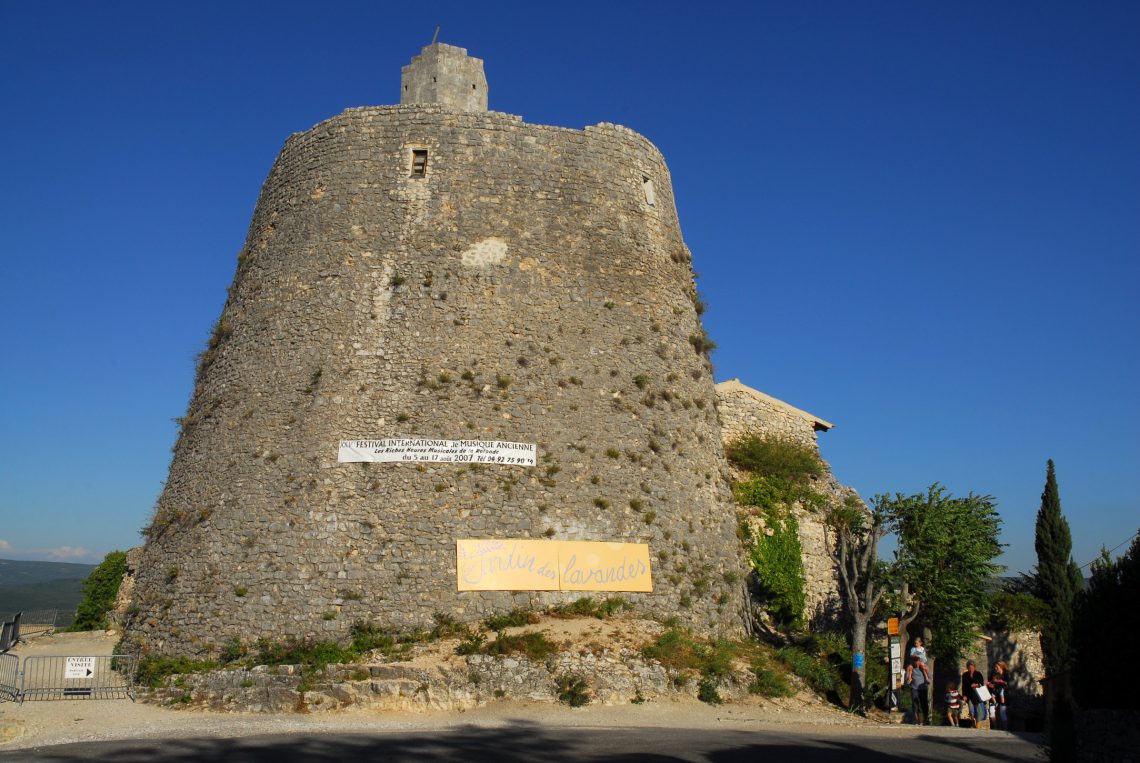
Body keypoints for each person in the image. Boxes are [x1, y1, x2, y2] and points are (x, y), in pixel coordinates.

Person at [906, 654, 931, 725]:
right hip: (914, 688)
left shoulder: (923, 667)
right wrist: (908, 671)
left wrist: (927, 670)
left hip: (923, 688)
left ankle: (926, 720)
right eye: (914, 660)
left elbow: (930, 677)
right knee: (915, 704)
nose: (916, 662)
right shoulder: (911, 668)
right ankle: (916, 720)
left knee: (924, 704)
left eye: (917, 660)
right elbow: (907, 680)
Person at [961, 661, 988, 726]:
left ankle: (977, 724)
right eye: (969, 667)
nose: (971, 668)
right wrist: (964, 695)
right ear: (967, 667)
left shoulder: (978, 674)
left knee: (979, 710)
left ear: (974, 667)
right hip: (969, 695)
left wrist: (977, 685)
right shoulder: (965, 675)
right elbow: (964, 686)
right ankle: (973, 721)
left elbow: (981, 683)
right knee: (971, 709)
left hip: (978, 695)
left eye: (972, 667)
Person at [989, 661, 1010, 730]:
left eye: (996, 667)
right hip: (994, 694)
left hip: (1002, 695)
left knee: (1002, 713)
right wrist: (991, 685)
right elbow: (990, 682)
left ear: (1001, 667)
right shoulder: (994, 674)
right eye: (995, 667)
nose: (995, 668)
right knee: (992, 712)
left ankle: (1005, 728)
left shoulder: (1006, 674)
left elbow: (1006, 684)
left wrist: (997, 685)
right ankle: (995, 728)